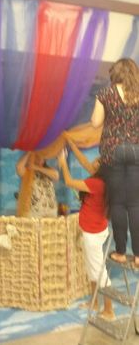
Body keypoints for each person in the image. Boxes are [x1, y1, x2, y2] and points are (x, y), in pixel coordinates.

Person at [58, 139, 115, 320]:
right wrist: (71, 144)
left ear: (101, 168)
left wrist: (61, 162)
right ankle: (94, 302)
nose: (92, 163)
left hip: (93, 232)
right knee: (92, 269)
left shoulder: (97, 184)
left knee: (99, 271)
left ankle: (109, 310)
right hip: (95, 229)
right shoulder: (101, 179)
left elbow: (68, 181)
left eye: (96, 162)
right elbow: (84, 160)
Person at [91, 58, 139, 268]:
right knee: (135, 204)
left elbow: (95, 122)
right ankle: (138, 256)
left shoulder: (106, 94)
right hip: (137, 151)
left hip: (114, 151)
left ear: (115, 74)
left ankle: (120, 251)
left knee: (118, 203)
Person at [16, 151, 59, 218]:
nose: (39, 159)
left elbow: (56, 175)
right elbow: (19, 167)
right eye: (36, 157)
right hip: (34, 212)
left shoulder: (48, 171)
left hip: (50, 211)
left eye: (41, 157)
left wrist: (37, 167)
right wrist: (29, 152)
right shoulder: (27, 172)